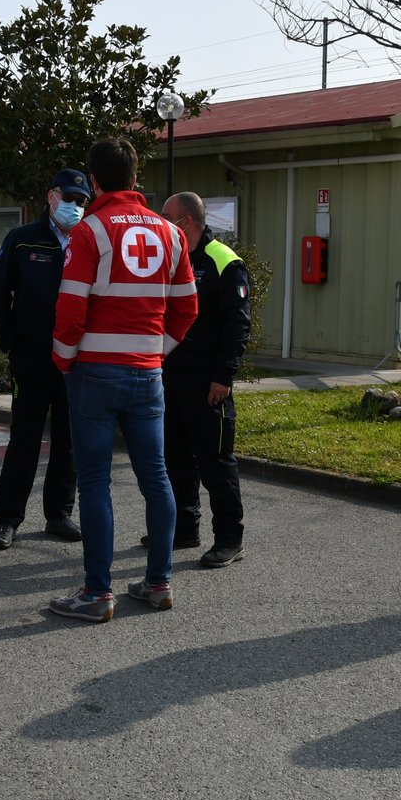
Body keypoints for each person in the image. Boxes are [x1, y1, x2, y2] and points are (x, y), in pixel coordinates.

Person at [49, 137, 197, 622]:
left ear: (93, 181)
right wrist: (159, 351)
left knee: (94, 482)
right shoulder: (171, 233)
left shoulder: (89, 231)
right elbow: (186, 308)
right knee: (156, 476)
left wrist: (64, 359)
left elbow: (70, 309)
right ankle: (159, 583)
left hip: (93, 372)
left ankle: (98, 593)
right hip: (147, 372)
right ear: (136, 177)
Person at [0, 168, 87, 551]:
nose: (73, 206)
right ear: (51, 196)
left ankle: (59, 514)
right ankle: (7, 519)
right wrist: (11, 343)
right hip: (31, 357)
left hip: (74, 360)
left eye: (80, 201)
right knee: (24, 439)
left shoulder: (89, 241)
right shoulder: (22, 239)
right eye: (68, 197)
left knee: (68, 440)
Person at [151, 191, 252, 568]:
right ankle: (184, 529)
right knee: (175, 459)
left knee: (215, 463)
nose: (161, 222)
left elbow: (237, 326)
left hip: (209, 383)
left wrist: (223, 377)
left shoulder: (223, 261)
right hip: (171, 378)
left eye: (166, 216)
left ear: (187, 222)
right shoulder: (171, 256)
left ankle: (229, 539)